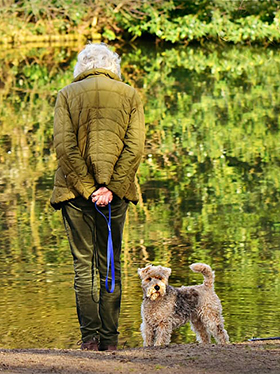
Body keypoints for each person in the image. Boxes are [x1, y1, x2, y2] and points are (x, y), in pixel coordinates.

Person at [50, 43, 145, 351]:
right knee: (111, 264)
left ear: (83, 66)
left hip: (74, 192)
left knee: (83, 266)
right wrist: (110, 188)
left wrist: (89, 188)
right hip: (114, 195)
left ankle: (90, 340)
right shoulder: (130, 94)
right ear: (111, 65)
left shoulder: (66, 94)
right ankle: (111, 340)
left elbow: (64, 147)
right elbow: (135, 148)